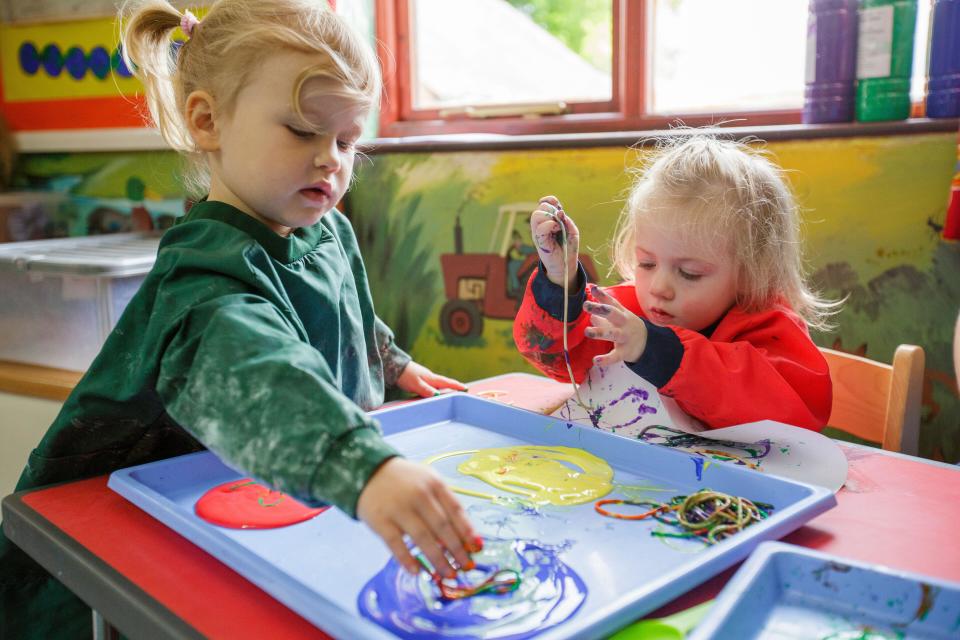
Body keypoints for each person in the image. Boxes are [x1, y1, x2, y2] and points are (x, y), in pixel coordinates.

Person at [0, 2, 478, 637]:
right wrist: (363, 466)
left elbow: (345, 310)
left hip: (249, 487)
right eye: (302, 131)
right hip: (115, 526)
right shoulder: (201, 277)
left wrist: (392, 363)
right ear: (207, 121)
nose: (330, 160)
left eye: (346, 139)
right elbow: (258, 373)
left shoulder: (325, 226)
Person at [514, 134, 838, 431]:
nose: (659, 287)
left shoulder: (773, 332)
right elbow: (557, 356)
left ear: (751, 272)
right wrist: (560, 282)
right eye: (647, 263)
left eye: (689, 273)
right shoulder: (632, 310)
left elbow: (792, 416)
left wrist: (656, 351)